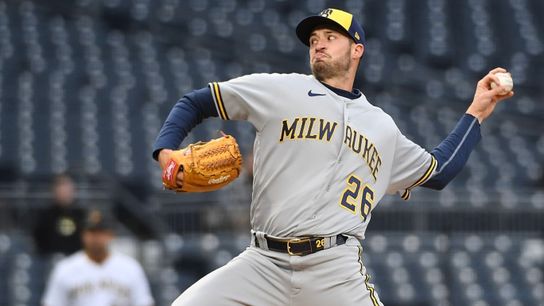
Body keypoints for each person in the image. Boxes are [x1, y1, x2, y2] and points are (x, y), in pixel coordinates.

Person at [152, 8, 514, 306]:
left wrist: (479, 109)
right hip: (263, 261)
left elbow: (439, 171)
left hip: (335, 269)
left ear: (357, 49)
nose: (318, 45)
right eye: (313, 40)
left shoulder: (382, 128)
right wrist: (165, 151)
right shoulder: (281, 89)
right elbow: (196, 102)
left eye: (330, 38)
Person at [42, 209, 154, 306]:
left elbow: (143, 303)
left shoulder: (131, 268)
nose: (96, 237)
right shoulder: (65, 269)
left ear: (110, 235)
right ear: (83, 235)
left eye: (100, 232)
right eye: (91, 232)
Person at [33, 174, 85, 256]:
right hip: (51, 260)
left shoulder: (82, 215)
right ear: (54, 191)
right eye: (60, 188)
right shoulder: (45, 216)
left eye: (67, 188)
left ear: (73, 190)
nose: (64, 192)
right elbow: (40, 241)